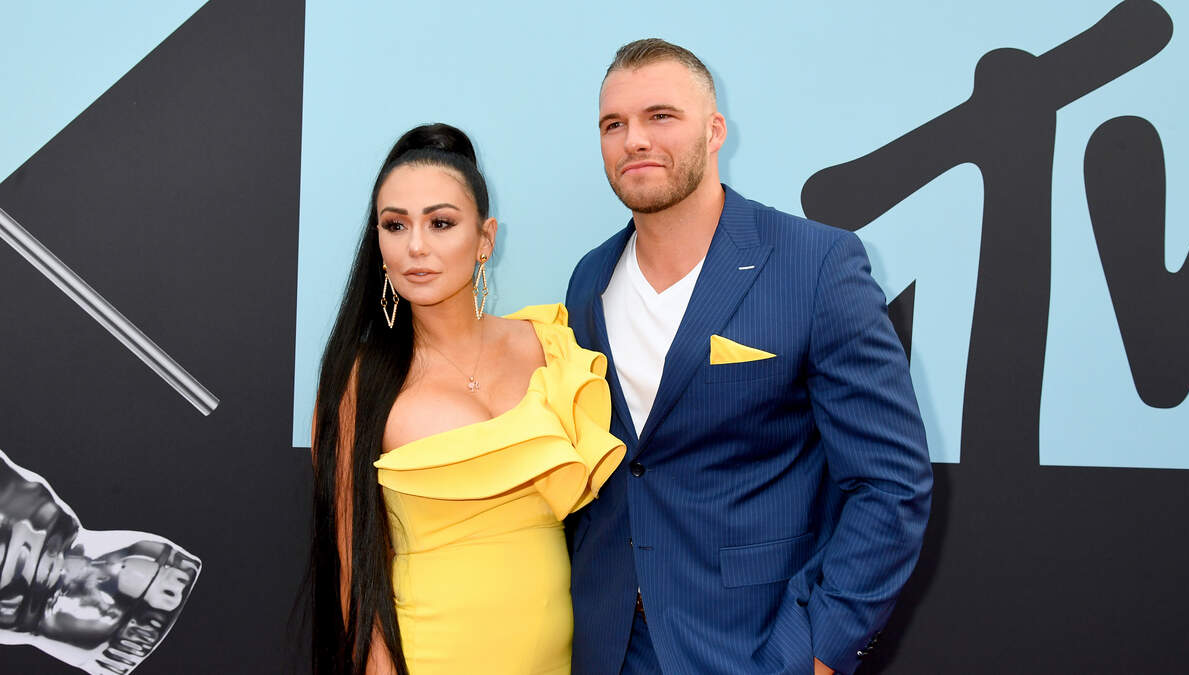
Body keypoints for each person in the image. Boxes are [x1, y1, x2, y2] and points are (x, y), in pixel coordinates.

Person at [565, 39, 934, 674]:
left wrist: (820, 652)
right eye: (613, 124)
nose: (634, 140)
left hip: (753, 647)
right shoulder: (589, 280)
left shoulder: (816, 264)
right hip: (607, 646)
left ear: (715, 131)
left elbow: (891, 483)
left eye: (660, 116)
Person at [308, 123, 625, 674]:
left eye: (441, 223)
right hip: (428, 655)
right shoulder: (358, 382)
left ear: (485, 239)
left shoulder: (551, 346)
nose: (416, 246)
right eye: (395, 225)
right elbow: (353, 566)